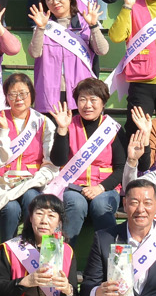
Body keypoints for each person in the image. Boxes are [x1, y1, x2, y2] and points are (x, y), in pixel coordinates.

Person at [45, 78, 124, 242]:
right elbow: (58, 160)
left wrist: (100, 188)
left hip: (105, 188)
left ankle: (109, 253)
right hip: (73, 188)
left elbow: (121, 168)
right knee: (76, 204)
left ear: (103, 103)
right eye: (82, 99)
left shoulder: (112, 128)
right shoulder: (69, 124)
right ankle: (64, 253)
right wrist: (62, 130)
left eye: (93, 100)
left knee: (101, 205)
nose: (87, 105)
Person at [0, 73, 59, 239]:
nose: (18, 98)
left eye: (23, 93)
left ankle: (33, 244)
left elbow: (51, 164)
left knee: (32, 197)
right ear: (6, 97)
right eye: (12, 94)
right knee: (11, 209)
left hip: (32, 182)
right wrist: (3, 131)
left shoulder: (43, 122)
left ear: (31, 94)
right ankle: (7, 251)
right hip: (2, 184)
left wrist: (34, 180)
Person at [0, 192, 77, 296]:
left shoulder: (66, 251)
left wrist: (67, 289)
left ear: (59, 222)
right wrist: (26, 282)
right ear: (30, 218)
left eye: (51, 215)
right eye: (39, 214)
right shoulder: (10, 249)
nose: (44, 221)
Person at [28, 0, 108, 112]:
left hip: (81, 92)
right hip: (50, 92)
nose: (55, 2)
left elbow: (102, 50)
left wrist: (93, 26)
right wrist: (40, 28)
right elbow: (35, 53)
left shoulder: (85, 22)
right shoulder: (43, 24)